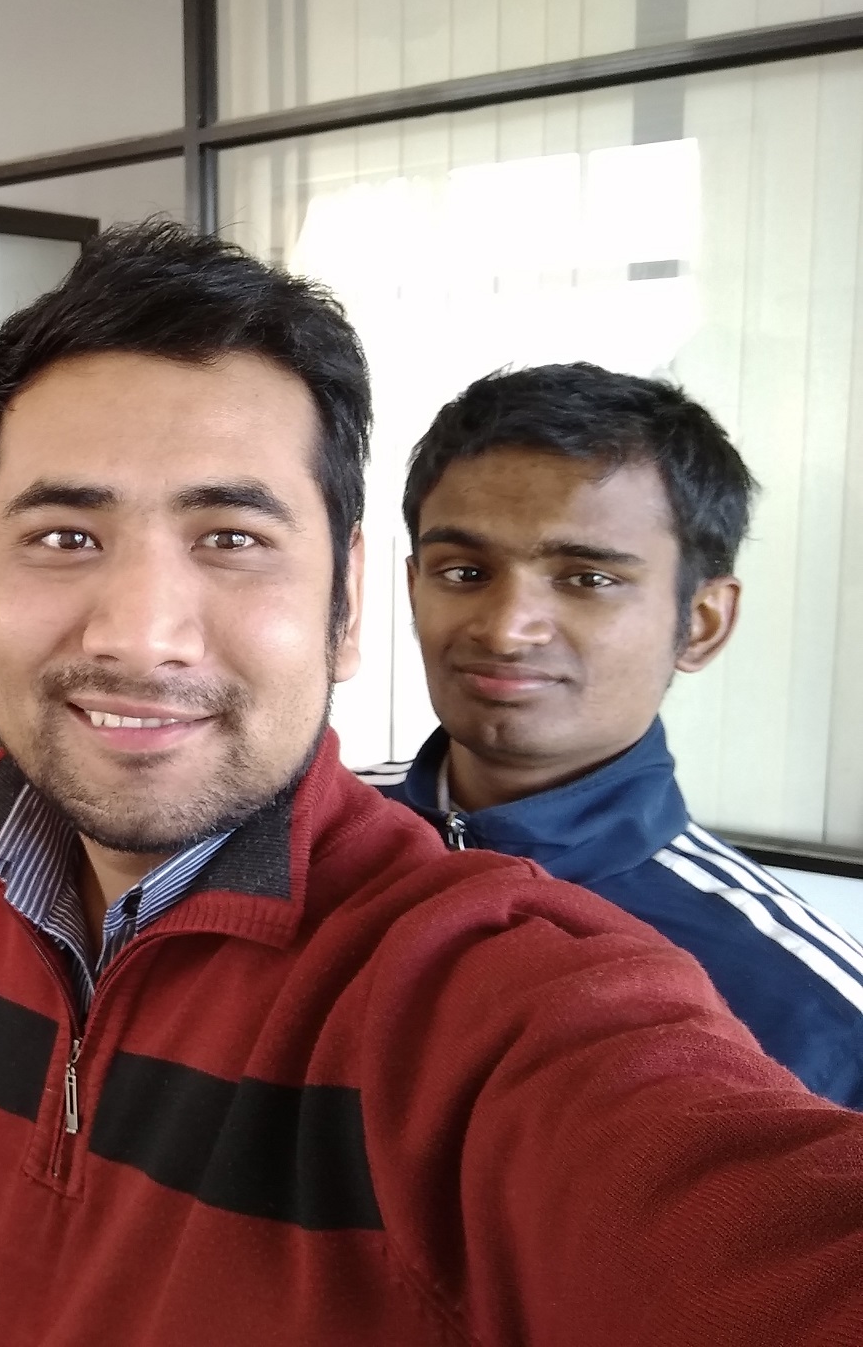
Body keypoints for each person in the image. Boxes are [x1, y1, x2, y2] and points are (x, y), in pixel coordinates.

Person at [0, 220, 863, 1346]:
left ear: (345, 606)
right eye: (64, 537)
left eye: (231, 537)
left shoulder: (483, 997)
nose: (142, 634)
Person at [359, 364, 863, 1107]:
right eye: (464, 572)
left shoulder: (816, 1013)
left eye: (588, 579)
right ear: (413, 587)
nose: (506, 629)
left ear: (702, 623)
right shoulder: (306, 835)